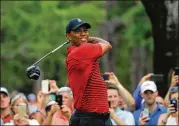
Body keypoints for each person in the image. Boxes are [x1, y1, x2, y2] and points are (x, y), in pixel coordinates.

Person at [65, 18, 112, 126]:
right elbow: (107, 45)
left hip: (96, 117)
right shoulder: (82, 51)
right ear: (68, 35)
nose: (83, 33)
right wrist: (87, 38)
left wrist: (83, 38)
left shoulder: (75, 52)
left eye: (85, 31)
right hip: (91, 118)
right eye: (78, 31)